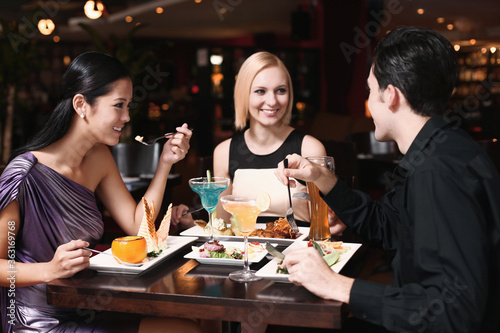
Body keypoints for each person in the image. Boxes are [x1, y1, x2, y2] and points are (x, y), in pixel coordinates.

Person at [275, 27, 500, 332]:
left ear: (391, 95)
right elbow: (389, 226)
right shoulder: (441, 149)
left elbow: (455, 312)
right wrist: (322, 179)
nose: (368, 104)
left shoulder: (438, 172)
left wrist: (339, 286)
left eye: (370, 90)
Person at [0, 52, 201, 333]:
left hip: (87, 308)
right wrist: (49, 270)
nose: (127, 117)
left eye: (128, 106)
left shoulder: (99, 157)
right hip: (38, 321)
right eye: (119, 105)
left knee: (188, 326)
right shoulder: (24, 175)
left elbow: (138, 226)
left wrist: (165, 163)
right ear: (81, 104)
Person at [172, 51, 326, 229]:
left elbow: (324, 226)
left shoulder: (310, 148)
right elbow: (223, 226)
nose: (272, 100)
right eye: (260, 91)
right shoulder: (223, 152)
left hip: (297, 252)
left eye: (280, 90)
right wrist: (191, 223)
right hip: (245, 253)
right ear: (244, 95)